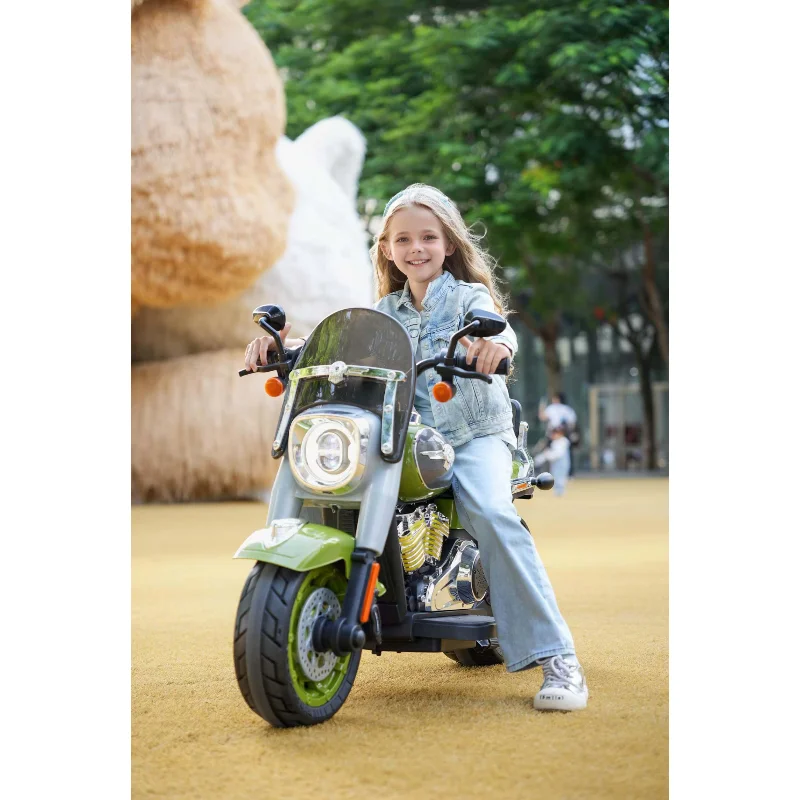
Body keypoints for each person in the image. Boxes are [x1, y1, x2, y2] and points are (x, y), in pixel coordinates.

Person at [244, 183, 588, 712]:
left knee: (490, 511)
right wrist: (285, 348)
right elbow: (338, 352)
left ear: (448, 244)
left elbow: (501, 332)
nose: (416, 248)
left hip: (473, 435)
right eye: (402, 239)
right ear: (386, 248)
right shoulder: (384, 312)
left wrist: (494, 346)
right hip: (405, 434)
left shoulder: (468, 299)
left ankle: (557, 656)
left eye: (428, 237)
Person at [539, 393, 580, 476]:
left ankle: (549, 472)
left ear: (557, 399)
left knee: (552, 452)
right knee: (565, 454)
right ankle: (569, 473)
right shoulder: (568, 409)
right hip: (563, 434)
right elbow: (572, 423)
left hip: (555, 433)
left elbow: (542, 417)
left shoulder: (552, 408)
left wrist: (541, 407)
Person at [533, 425, 571, 496]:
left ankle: (560, 491)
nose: (553, 435)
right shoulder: (555, 442)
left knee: (560, 478)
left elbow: (557, 454)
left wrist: (547, 455)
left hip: (561, 464)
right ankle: (558, 491)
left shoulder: (563, 442)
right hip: (555, 464)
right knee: (555, 476)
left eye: (555, 433)